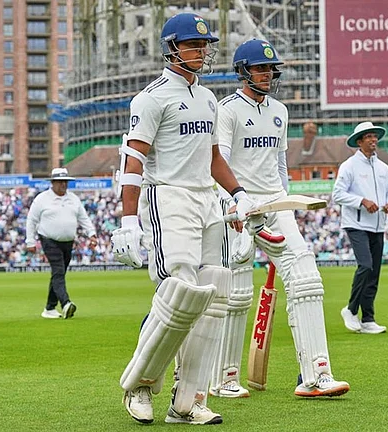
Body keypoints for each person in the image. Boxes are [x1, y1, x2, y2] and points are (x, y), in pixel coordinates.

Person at [112, 13, 283, 425]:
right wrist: (128, 221)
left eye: (205, 45)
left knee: (213, 296)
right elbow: (132, 161)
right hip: (168, 196)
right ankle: (139, 385)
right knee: (180, 294)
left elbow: (213, 158)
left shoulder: (207, 98)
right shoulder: (150, 98)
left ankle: (188, 400)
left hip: (207, 199)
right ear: (172, 48)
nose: (203, 52)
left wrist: (238, 194)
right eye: (194, 44)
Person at [210, 38, 349, 398]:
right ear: (243, 72)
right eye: (260, 68)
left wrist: (286, 204)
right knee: (237, 294)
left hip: (275, 204)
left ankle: (316, 375)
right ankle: (225, 378)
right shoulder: (227, 110)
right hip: (240, 208)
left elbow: (280, 164)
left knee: (307, 280)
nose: (268, 74)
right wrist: (232, 202)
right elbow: (219, 161)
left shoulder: (280, 110)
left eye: (271, 69)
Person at [333, 121, 388, 334]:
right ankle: (351, 310)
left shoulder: (383, 168)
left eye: (374, 136)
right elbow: (337, 194)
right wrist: (362, 201)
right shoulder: (349, 166)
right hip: (356, 223)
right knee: (366, 266)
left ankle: (368, 317)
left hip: (378, 224)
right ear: (359, 141)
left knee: (374, 273)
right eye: (368, 136)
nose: (373, 140)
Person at [25, 168, 97, 319]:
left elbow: (84, 218)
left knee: (59, 273)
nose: (63, 184)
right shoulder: (42, 199)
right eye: (60, 182)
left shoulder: (73, 199)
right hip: (49, 239)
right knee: (58, 271)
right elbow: (31, 220)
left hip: (68, 242)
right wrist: (30, 241)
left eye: (65, 181)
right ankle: (65, 303)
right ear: (52, 183)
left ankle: (50, 308)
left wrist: (92, 234)